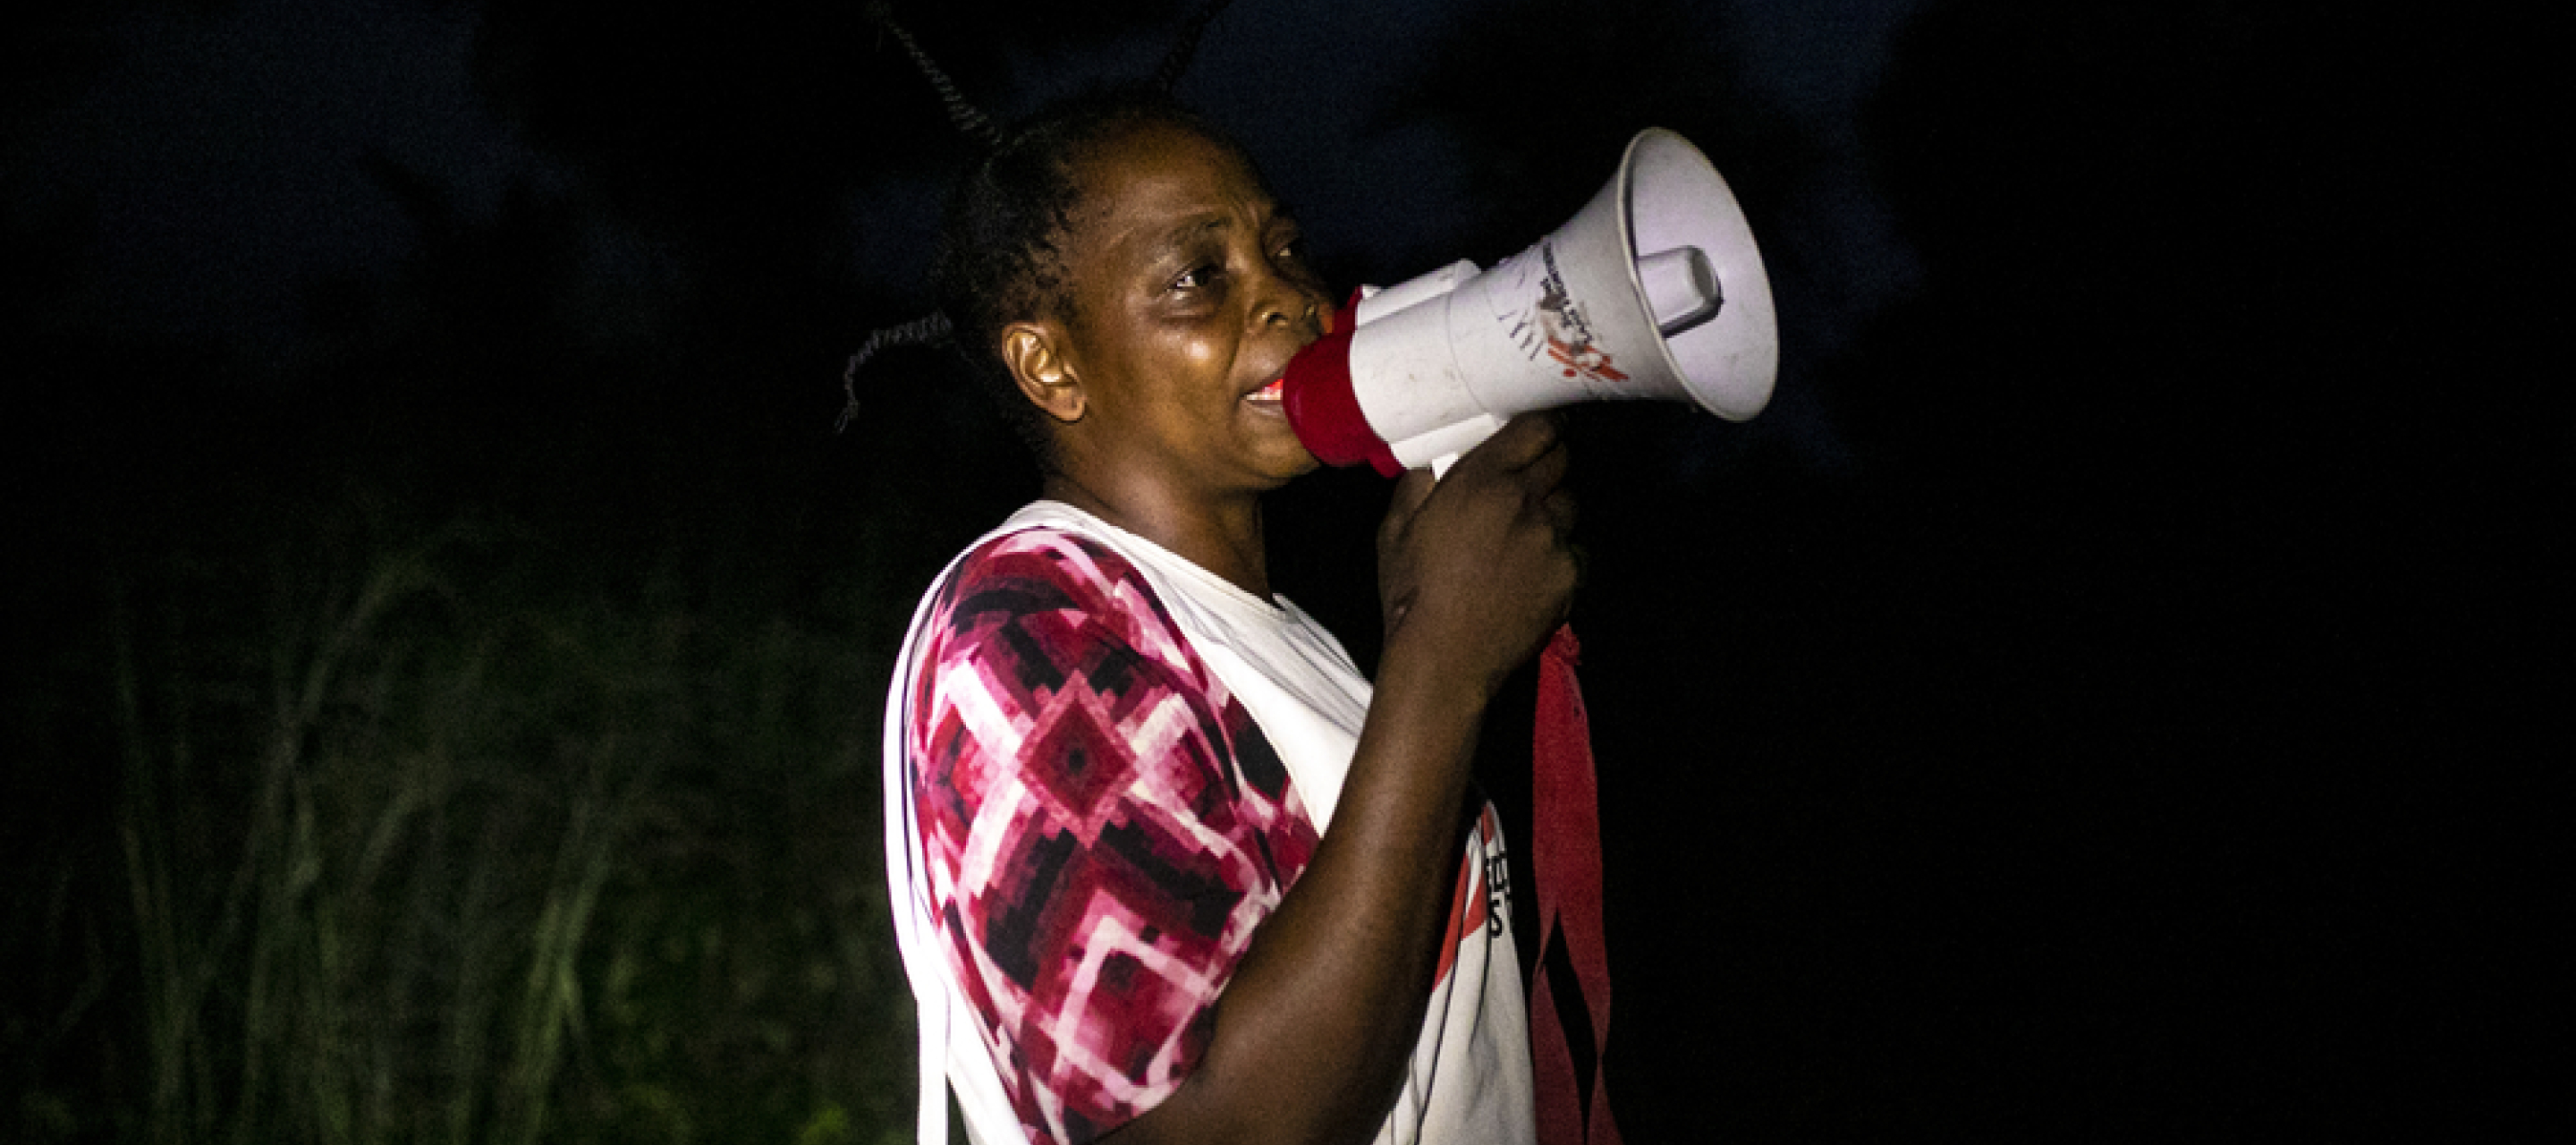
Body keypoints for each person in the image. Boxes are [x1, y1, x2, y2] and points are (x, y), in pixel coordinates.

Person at [880, 88, 1578, 1145]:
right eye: (1199, 278)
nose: (1292, 299)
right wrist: (1440, 664)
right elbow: (1218, 1123)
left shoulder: (1283, 636)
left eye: (1284, 247)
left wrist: (1417, 619)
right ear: (1050, 364)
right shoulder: (1025, 632)